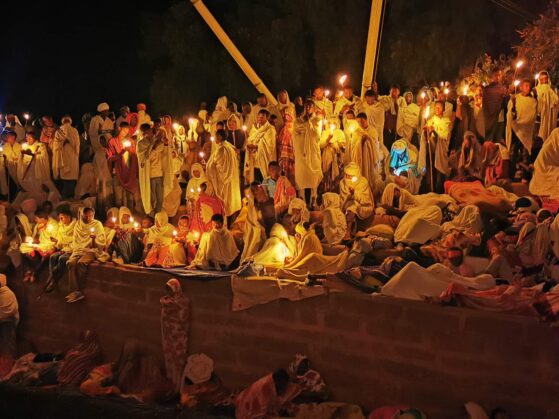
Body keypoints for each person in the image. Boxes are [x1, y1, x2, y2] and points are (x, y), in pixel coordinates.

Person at [66, 207, 106, 303]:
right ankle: (74, 291)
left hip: (91, 250)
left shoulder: (97, 224)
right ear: (81, 215)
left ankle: (80, 291)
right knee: (71, 263)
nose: (88, 218)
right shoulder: (78, 225)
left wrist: (94, 239)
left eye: (91, 216)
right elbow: (75, 241)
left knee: (81, 263)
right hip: (79, 250)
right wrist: (78, 249)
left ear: (94, 215)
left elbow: (101, 242)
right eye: (86, 216)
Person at [205, 129, 241, 218]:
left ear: (220, 137)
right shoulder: (228, 147)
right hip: (230, 180)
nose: (215, 138)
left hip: (224, 182)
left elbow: (221, 168)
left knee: (226, 203)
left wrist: (209, 166)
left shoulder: (222, 149)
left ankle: (225, 222)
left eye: (216, 136)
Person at [293, 100, 323, 207]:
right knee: (301, 177)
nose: (308, 108)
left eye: (310, 106)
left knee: (313, 177)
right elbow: (295, 133)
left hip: (313, 152)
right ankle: (302, 202)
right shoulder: (297, 121)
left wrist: (307, 124)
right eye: (306, 106)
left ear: (314, 108)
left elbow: (316, 134)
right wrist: (305, 126)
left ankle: (313, 200)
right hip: (301, 152)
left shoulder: (317, 120)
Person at [506, 79, 537, 175]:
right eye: (526, 86)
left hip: (526, 131)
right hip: (516, 130)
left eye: (529, 86)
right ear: (521, 87)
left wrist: (523, 121)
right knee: (513, 151)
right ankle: (511, 173)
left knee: (525, 152)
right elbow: (512, 116)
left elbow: (532, 115)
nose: (528, 88)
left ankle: (525, 174)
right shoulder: (515, 99)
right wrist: (514, 104)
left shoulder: (533, 101)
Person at [107, 121, 139, 210]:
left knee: (130, 197)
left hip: (129, 172)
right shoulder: (112, 141)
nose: (125, 132)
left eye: (127, 131)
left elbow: (135, 157)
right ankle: (119, 218)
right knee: (118, 198)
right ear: (119, 128)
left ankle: (130, 217)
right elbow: (110, 158)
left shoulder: (131, 141)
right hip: (118, 172)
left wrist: (130, 152)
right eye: (124, 130)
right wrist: (122, 153)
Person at [422, 100, 452, 193]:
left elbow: (444, 135)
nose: (437, 109)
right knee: (431, 176)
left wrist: (434, 130)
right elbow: (425, 138)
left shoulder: (446, 121)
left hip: (441, 152)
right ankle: (430, 193)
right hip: (432, 151)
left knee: (439, 178)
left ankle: (440, 194)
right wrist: (427, 131)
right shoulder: (431, 120)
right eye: (436, 107)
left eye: (439, 107)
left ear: (443, 109)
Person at [45, 207, 76, 293]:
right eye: (60, 218)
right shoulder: (61, 226)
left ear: (68, 217)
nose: (60, 220)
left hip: (72, 250)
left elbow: (75, 241)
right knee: (52, 257)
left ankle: (53, 277)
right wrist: (56, 241)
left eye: (62, 217)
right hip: (63, 249)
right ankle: (52, 279)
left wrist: (66, 250)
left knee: (62, 259)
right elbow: (60, 240)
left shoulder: (76, 226)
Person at [339, 163, 374, 237]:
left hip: (363, 206)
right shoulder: (342, 183)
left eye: (350, 176)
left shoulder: (363, 182)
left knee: (352, 206)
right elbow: (343, 199)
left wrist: (354, 194)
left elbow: (366, 200)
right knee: (350, 205)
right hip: (346, 205)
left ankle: (348, 230)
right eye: (346, 175)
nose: (348, 177)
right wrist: (349, 195)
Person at [354, 112, 383, 196]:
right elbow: (353, 146)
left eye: (362, 121)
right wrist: (361, 141)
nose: (361, 124)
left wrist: (368, 139)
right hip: (361, 161)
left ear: (366, 120)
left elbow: (375, 144)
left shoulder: (372, 131)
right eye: (359, 122)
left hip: (370, 160)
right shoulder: (356, 132)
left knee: (372, 178)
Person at [52, 115, 80, 199]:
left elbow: (56, 145)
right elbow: (77, 145)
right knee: (69, 178)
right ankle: (67, 196)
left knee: (67, 178)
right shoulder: (74, 130)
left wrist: (64, 142)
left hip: (66, 156)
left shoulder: (59, 131)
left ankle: (66, 196)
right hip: (69, 156)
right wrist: (66, 142)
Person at [245, 109, 277, 183]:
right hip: (254, 160)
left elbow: (270, 146)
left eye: (262, 117)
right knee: (256, 181)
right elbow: (250, 139)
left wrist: (256, 146)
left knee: (265, 181)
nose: (259, 119)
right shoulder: (254, 129)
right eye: (258, 117)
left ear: (267, 118)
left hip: (265, 160)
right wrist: (249, 144)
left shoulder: (270, 129)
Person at [17, 131, 52, 197]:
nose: (28, 139)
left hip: (36, 169)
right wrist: (22, 154)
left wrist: (34, 156)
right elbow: (20, 157)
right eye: (27, 137)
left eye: (30, 138)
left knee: (37, 185)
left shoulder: (40, 145)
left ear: (34, 138)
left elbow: (44, 157)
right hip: (26, 169)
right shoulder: (25, 145)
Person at [319, 117, 346, 193]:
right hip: (326, 158)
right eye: (330, 123)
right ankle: (326, 192)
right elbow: (321, 145)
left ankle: (336, 193)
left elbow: (344, 146)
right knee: (327, 175)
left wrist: (336, 145)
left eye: (334, 123)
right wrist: (327, 140)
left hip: (336, 158)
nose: (331, 125)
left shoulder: (340, 132)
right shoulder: (324, 132)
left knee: (337, 177)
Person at [482, 69, 507, 142]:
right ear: (492, 76)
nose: (498, 77)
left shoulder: (503, 88)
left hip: (500, 117)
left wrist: (505, 97)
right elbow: (485, 104)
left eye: (499, 75)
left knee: (497, 139)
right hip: (489, 118)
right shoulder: (487, 89)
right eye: (496, 75)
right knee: (489, 139)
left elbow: (505, 104)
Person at [535, 71, 559, 141]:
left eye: (546, 79)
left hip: (551, 117)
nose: (544, 81)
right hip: (540, 118)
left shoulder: (553, 90)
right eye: (542, 79)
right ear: (539, 80)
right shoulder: (536, 90)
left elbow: (556, 102)